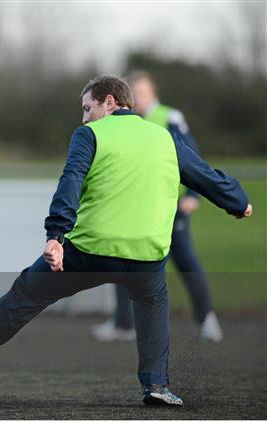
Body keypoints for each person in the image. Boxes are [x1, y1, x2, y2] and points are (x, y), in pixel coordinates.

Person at [0, 75, 252, 406]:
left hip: (87, 252)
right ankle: (156, 386)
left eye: (87, 108)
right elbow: (205, 175)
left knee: (26, 294)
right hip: (146, 254)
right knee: (153, 306)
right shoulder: (165, 138)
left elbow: (71, 182)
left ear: (109, 101)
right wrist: (239, 202)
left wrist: (55, 236)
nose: (84, 117)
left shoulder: (89, 134)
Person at [92, 71, 223, 343]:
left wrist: (193, 196)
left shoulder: (169, 117)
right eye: (133, 92)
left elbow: (192, 159)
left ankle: (207, 319)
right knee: (120, 259)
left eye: (142, 91)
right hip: (134, 208)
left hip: (168, 208)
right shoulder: (123, 122)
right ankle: (122, 323)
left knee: (185, 261)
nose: (137, 97)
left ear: (152, 93)